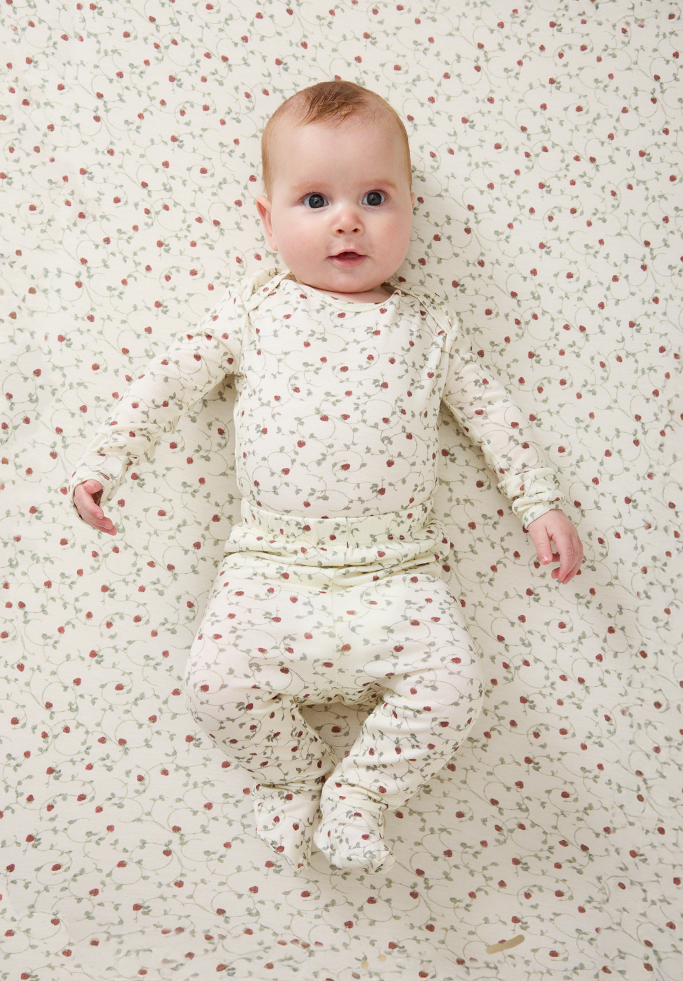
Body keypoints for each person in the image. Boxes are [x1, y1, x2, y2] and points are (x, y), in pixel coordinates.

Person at [70, 80, 583, 874]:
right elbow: (165, 383)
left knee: (451, 691)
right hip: (268, 566)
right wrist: (105, 462)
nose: (347, 220)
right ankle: (293, 779)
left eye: (374, 197)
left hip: (397, 570)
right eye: (314, 200)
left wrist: (538, 503)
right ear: (267, 220)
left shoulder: (428, 330)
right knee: (214, 685)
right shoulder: (250, 314)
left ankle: (361, 794)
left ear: (410, 210)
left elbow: (495, 420)